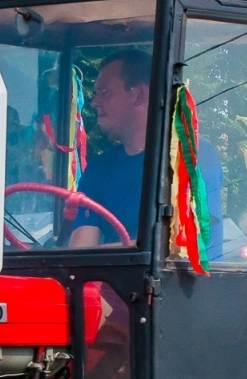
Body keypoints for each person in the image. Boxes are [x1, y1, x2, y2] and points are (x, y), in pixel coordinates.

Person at [68, 49, 223, 253]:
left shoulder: (192, 157)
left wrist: (101, 254)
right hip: (114, 282)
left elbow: (177, 246)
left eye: (105, 92)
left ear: (139, 95)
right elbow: (80, 254)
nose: (94, 102)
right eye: (96, 93)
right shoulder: (99, 169)